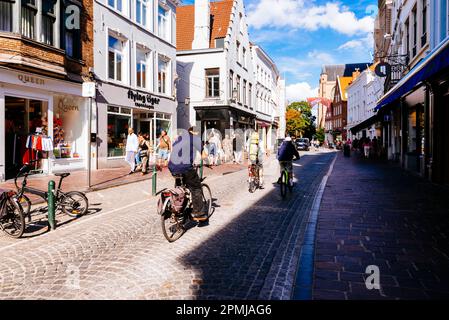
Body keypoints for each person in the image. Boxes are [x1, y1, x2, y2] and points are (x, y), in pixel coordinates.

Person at [168, 127, 207, 222]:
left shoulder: (179, 138)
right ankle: (198, 213)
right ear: (195, 131)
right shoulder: (194, 138)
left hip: (172, 167)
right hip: (185, 167)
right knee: (196, 188)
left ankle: (177, 210)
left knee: (179, 189)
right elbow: (204, 155)